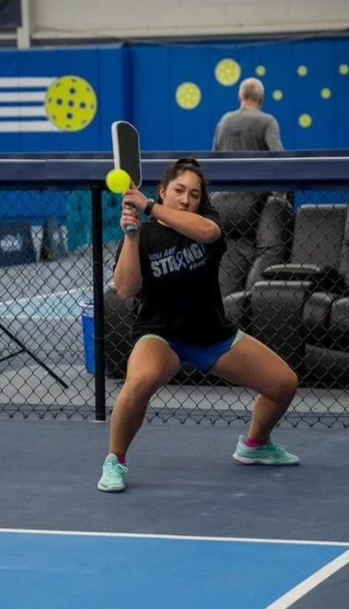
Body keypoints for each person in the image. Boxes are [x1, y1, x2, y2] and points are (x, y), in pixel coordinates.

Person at [97, 157, 299, 493]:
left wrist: (148, 206)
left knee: (284, 383)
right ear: (164, 190)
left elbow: (209, 233)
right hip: (160, 335)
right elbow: (126, 289)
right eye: (179, 190)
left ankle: (254, 445)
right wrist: (131, 236)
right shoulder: (145, 236)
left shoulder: (208, 221)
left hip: (211, 335)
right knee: (140, 381)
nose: (186, 199)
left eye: (194, 194)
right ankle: (115, 461)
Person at [212, 77, 284, 152]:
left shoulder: (224, 121)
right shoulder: (268, 121)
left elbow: (214, 157)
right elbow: (278, 156)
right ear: (261, 98)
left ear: (240, 97)